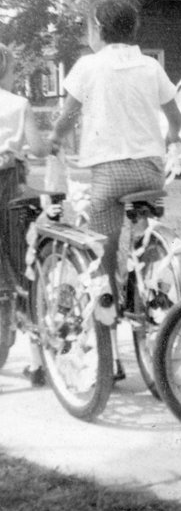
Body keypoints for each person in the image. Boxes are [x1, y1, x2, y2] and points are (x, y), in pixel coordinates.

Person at [48, 0, 181, 377]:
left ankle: (109, 332)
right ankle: (147, 283)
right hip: (150, 171)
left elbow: (69, 113)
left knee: (100, 251)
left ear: (96, 28)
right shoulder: (150, 65)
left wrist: (56, 139)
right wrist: (174, 136)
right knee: (142, 234)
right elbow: (173, 114)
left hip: (109, 173)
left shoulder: (88, 66)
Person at [0, 44, 51, 385]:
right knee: (23, 271)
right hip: (9, 188)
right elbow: (37, 147)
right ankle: (36, 362)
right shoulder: (18, 104)